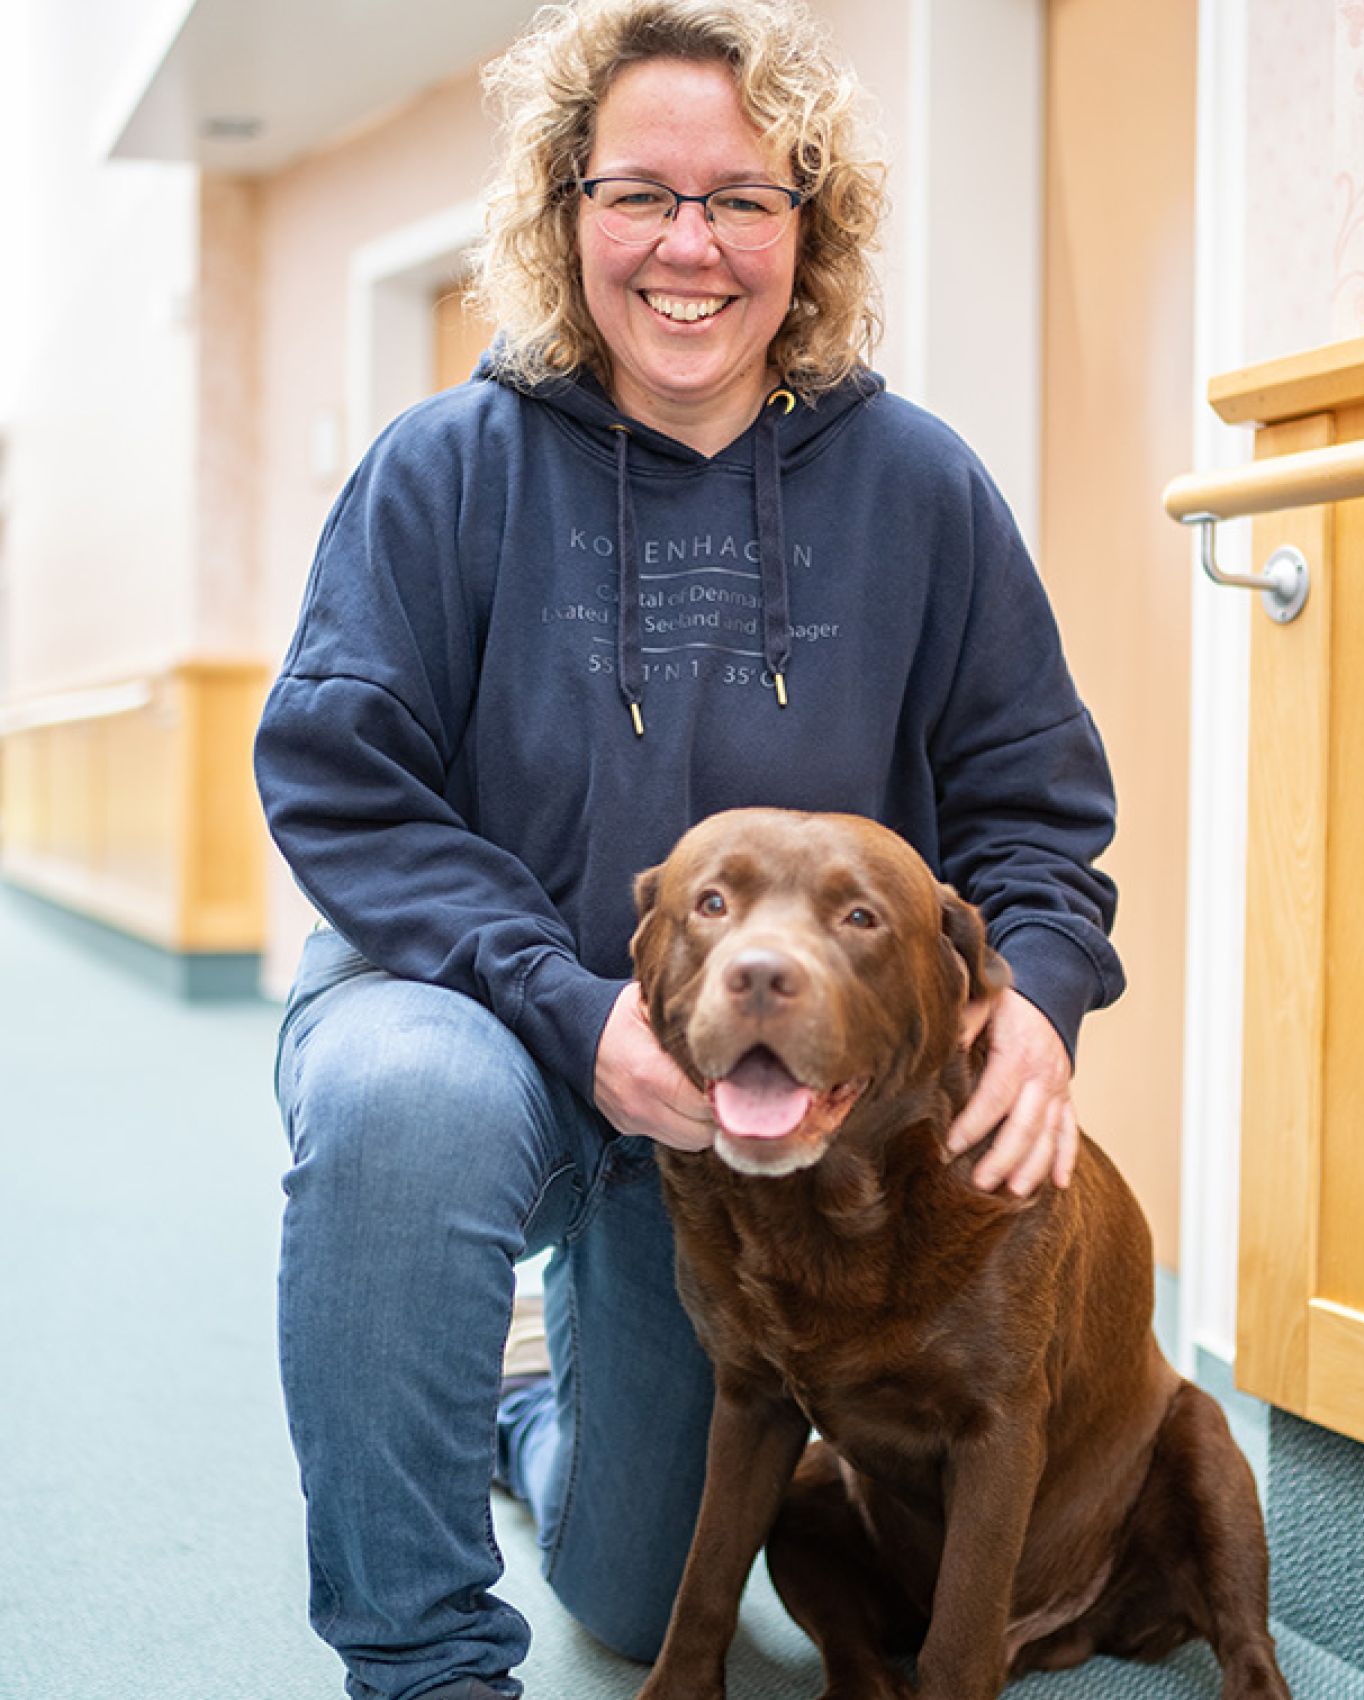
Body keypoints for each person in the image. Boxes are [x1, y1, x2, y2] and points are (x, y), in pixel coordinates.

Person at [254, 1, 1124, 1695]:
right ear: (565, 210)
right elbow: (340, 778)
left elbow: (1034, 804)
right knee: (398, 1108)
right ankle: (420, 1667)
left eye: (743, 199)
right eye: (640, 193)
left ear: (812, 230)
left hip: (768, 1114)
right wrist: (570, 1009)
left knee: (642, 1597)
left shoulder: (920, 490)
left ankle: (525, 1408)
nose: (690, 246)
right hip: (484, 1018)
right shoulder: (443, 470)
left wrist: (1043, 996)